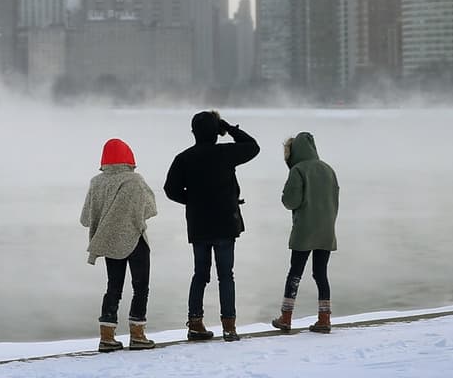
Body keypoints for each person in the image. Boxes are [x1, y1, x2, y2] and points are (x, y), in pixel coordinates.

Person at [163, 110, 260, 342]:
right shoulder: (225, 153)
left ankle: (195, 323)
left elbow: (170, 190)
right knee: (226, 276)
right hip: (225, 223)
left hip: (199, 226)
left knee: (200, 275)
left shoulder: (184, 158)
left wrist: (193, 200)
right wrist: (228, 127)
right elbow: (252, 146)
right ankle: (229, 327)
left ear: (193, 133)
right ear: (217, 133)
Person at [80, 137, 159, 352]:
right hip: (136, 240)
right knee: (140, 287)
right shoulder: (135, 180)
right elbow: (150, 208)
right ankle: (138, 335)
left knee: (113, 288)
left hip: (109, 241)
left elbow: (86, 218)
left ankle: (107, 337)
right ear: (129, 157)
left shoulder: (96, 182)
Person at [270, 131, 339, 334]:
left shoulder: (298, 170)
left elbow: (290, 201)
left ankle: (286, 317)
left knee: (295, 273)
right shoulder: (328, 169)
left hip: (305, 229)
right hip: (327, 229)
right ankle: (324, 319)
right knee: (320, 274)